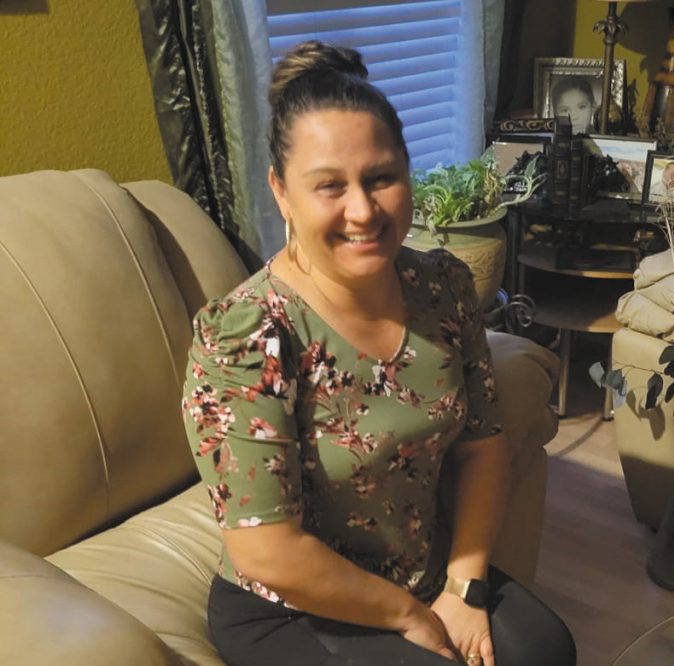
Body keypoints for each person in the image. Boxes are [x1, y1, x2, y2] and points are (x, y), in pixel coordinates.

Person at [181, 40, 576, 666]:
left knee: (547, 649)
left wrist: (463, 587)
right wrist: (409, 617)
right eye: (329, 186)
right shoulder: (245, 337)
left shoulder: (442, 287)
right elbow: (268, 551)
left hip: (421, 573)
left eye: (381, 177)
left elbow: (482, 445)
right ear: (282, 193)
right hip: (292, 605)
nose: (363, 210)